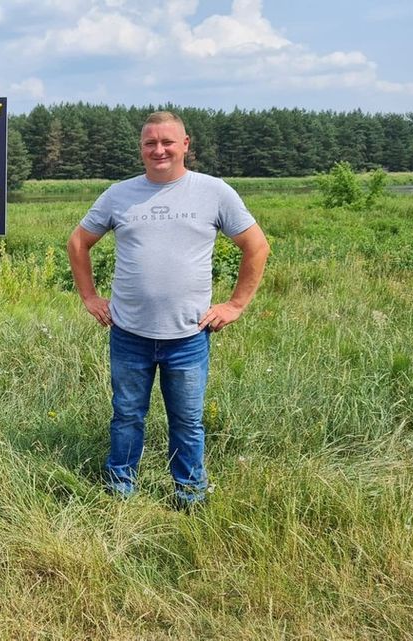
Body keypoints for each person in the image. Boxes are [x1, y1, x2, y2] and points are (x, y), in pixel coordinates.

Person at [66, 111, 269, 510]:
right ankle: (120, 491)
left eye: (167, 142)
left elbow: (256, 246)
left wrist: (236, 305)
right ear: (141, 148)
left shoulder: (214, 192)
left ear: (185, 145)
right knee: (126, 416)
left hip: (189, 336)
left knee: (188, 422)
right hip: (129, 334)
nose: (159, 150)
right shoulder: (119, 194)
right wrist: (89, 297)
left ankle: (190, 496)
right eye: (150, 143)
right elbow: (78, 242)